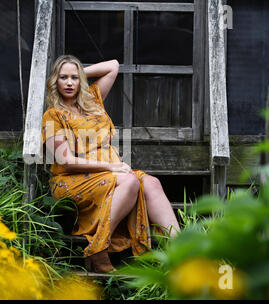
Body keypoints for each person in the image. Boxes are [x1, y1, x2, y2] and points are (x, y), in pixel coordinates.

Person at [41, 55, 180, 273]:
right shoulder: (53, 115)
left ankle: (181, 252)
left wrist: (79, 76)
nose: (69, 83)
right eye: (63, 78)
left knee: (151, 183)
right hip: (71, 180)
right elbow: (65, 161)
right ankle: (98, 246)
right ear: (54, 82)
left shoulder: (93, 99)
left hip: (110, 173)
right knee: (130, 181)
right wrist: (110, 167)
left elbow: (113, 66)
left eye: (74, 78)